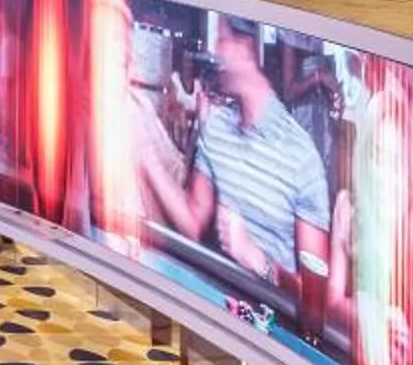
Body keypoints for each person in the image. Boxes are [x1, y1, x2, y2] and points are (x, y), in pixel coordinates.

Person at [136, 19, 332, 291]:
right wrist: (146, 151)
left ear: (244, 48)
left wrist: (256, 258)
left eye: (222, 41)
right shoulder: (215, 128)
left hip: (271, 321)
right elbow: (192, 224)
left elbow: (315, 296)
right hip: (215, 298)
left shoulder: (301, 157)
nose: (215, 53)